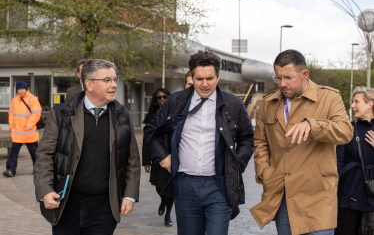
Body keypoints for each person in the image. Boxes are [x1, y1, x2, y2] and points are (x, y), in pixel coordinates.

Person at [144, 48, 254, 235]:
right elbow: (150, 130)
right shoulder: (176, 101)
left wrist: (236, 164)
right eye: (199, 79)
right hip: (185, 185)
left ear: (218, 77)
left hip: (220, 185)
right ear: (192, 78)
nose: (204, 84)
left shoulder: (233, 104)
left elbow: (247, 139)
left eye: (209, 78)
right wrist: (162, 156)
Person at [249, 49, 354, 235]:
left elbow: (346, 132)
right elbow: (260, 142)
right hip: (282, 197)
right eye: (278, 78)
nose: (282, 83)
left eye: (288, 77)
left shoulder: (329, 97)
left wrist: (313, 126)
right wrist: (264, 172)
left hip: (318, 199)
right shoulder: (267, 103)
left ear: (305, 74)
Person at [33, 59, 141, 234]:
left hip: (105, 208)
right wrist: (45, 190)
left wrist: (129, 195)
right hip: (66, 205)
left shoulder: (123, 115)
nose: (114, 85)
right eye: (107, 80)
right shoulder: (61, 114)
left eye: (115, 80)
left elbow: (132, 159)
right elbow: (44, 156)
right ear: (89, 84)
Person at [335, 86, 374, 235]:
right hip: (347, 195)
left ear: (370, 104)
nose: (352, 105)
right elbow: (338, 162)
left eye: (356, 102)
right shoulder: (348, 128)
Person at [142, 88, 174, 227]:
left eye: (165, 97)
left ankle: (168, 214)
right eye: (159, 97)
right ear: (155, 100)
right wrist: (146, 161)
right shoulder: (151, 117)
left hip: (171, 157)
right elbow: (146, 141)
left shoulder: (174, 113)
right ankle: (163, 200)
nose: (162, 99)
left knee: (170, 188)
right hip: (156, 158)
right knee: (158, 186)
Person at [3, 81, 42, 177]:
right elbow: (11, 113)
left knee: (34, 153)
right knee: (14, 152)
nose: (20, 91)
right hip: (17, 132)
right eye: (18, 89)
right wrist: (11, 125)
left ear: (26, 88)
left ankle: (39, 170)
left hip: (29, 132)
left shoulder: (32, 99)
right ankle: (10, 170)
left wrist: (28, 126)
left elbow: (36, 113)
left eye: (22, 89)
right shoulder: (15, 99)